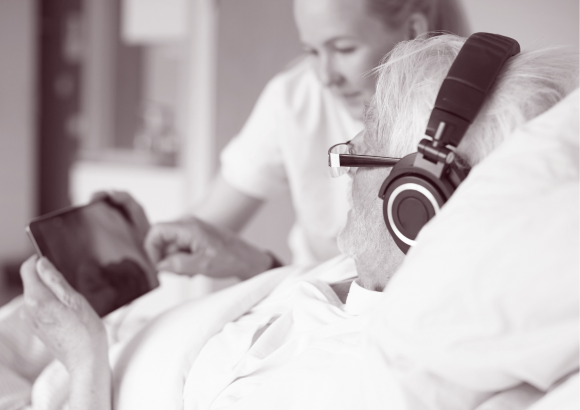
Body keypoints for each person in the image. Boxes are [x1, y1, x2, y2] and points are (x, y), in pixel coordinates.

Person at [4, 34, 577, 409]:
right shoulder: (369, 279)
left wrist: (83, 359)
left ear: (415, 203)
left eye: (362, 150)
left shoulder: (368, 374)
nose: (345, 161)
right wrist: (252, 264)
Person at [141, 0, 471, 282]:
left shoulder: (477, 118)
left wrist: (257, 266)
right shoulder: (294, 98)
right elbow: (202, 225)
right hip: (312, 306)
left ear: (412, 30)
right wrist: (130, 244)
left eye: (343, 49)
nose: (325, 77)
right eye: (312, 51)